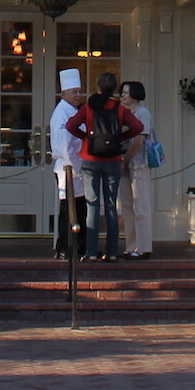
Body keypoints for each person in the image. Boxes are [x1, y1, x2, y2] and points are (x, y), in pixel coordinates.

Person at [65, 70, 143, 261]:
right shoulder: (119, 108)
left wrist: (86, 138)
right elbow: (138, 127)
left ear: (98, 87)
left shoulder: (88, 107)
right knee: (110, 206)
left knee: (92, 205)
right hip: (113, 160)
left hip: (90, 159)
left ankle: (91, 252)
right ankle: (112, 252)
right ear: (114, 89)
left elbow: (71, 126)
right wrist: (119, 138)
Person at [49, 68, 87, 260]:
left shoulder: (72, 111)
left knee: (77, 208)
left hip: (75, 166)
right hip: (68, 168)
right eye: (74, 92)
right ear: (64, 94)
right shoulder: (62, 113)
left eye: (79, 91)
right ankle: (66, 247)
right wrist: (73, 167)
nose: (77, 95)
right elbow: (64, 144)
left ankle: (76, 247)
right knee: (69, 209)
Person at [118, 80, 154, 259]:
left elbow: (139, 141)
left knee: (141, 206)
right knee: (126, 206)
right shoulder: (122, 113)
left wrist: (125, 159)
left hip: (139, 163)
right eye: (122, 92)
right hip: (124, 164)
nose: (123, 95)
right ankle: (131, 245)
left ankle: (143, 246)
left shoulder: (142, 113)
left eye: (126, 92)